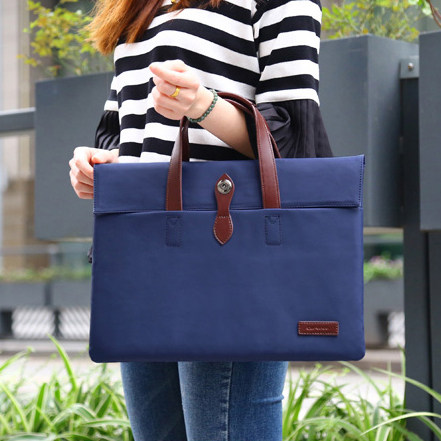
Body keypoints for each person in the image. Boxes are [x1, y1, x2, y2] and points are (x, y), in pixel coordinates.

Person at [69, 0, 333, 439]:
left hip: (225, 254)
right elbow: (126, 129)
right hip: (138, 250)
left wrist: (203, 104)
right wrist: (102, 164)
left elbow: (295, 139)